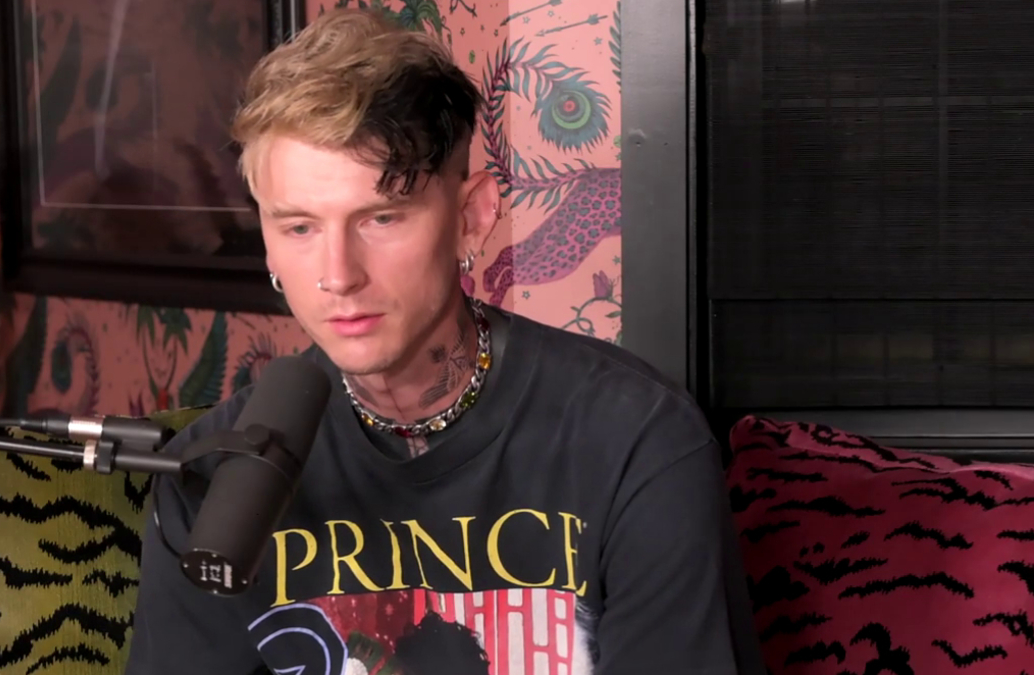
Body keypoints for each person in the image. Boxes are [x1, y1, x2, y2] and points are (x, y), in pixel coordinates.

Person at [126, 8, 765, 675]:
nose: (338, 276)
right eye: (300, 228)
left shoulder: (637, 441)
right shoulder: (215, 478)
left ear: (472, 217)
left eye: (381, 217)